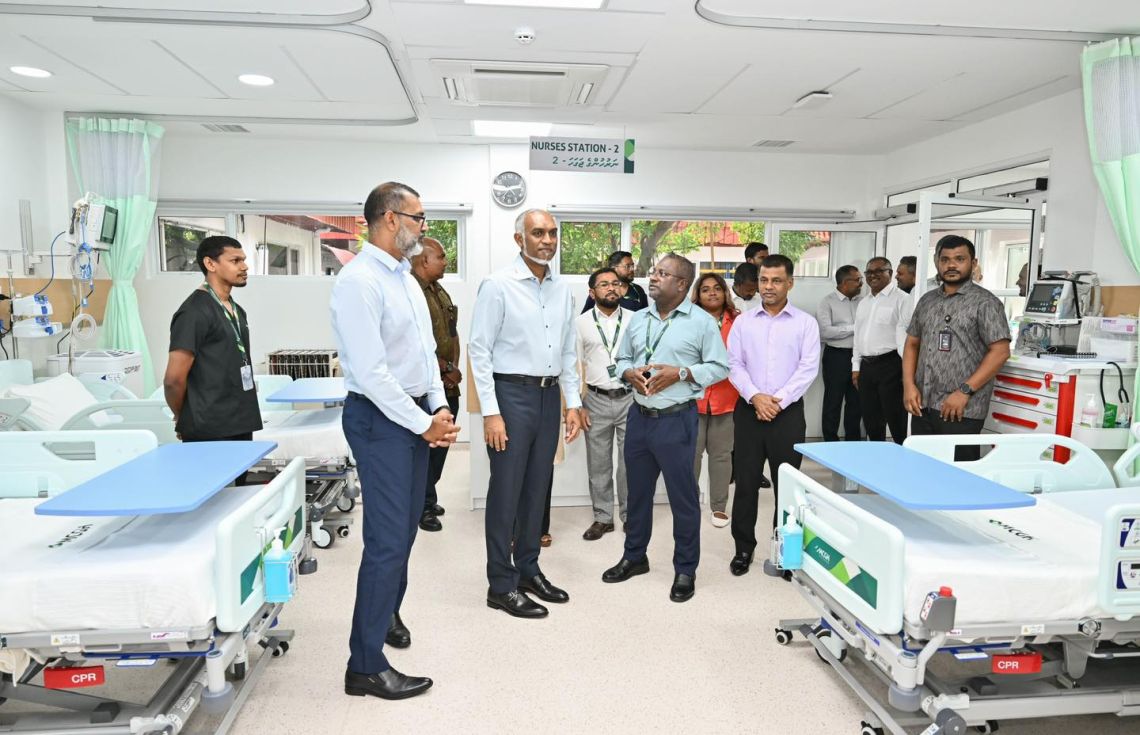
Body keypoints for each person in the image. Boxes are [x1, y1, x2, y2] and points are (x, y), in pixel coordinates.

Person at [330, 182, 458, 701]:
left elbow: (425, 354)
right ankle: (364, 666)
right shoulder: (359, 281)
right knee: (386, 541)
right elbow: (372, 373)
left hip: (411, 413)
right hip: (380, 419)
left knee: (403, 534)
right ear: (389, 218)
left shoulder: (403, 276)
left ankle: (382, 614)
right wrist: (421, 422)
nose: (423, 225)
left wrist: (439, 406)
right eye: (418, 216)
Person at [469, 208, 583, 619]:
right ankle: (501, 584)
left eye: (552, 233)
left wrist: (573, 402)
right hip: (510, 396)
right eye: (538, 233)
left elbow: (568, 350)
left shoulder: (562, 289)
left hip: (548, 397)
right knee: (506, 491)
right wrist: (491, 413)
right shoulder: (498, 285)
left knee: (538, 489)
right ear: (520, 239)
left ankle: (529, 570)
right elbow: (479, 350)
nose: (547, 240)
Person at [602, 253, 729, 603]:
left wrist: (681, 373)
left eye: (662, 273)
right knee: (637, 494)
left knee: (682, 499)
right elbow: (620, 360)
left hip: (677, 421)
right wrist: (628, 373)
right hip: (639, 418)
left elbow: (721, 367)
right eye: (654, 272)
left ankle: (685, 569)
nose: (653, 277)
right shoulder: (639, 318)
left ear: (682, 284)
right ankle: (634, 557)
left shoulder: (701, 322)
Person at [727, 254, 819, 577]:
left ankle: (785, 550)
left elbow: (808, 368)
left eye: (776, 280)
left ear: (789, 283)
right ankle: (743, 548)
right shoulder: (743, 322)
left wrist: (777, 402)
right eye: (764, 280)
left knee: (788, 486)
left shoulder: (805, 323)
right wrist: (755, 397)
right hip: (749, 411)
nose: (768, 286)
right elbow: (733, 364)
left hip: (787, 413)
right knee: (746, 483)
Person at [903, 235, 1011, 461]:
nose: (951, 265)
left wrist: (964, 391)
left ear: (973, 263)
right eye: (945, 259)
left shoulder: (986, 303)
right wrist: (909, 386)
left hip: (961, 408)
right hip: (924, 404)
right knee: (921, 469)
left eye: (959, 259)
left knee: (958, 473)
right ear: (937, 263)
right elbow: (912, 343)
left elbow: (1000, 352)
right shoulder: (927, 301)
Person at [164, 236, 263, 479]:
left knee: (238, 494)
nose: (244, 266)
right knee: (214, 495)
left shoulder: (236, 310)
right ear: (210, 264)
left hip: (240, 421)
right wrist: (184, 417)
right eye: (235, 261)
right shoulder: (194, 312)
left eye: (244, 260)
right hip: (209, 427)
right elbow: (173, 379)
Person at [576, 267, 635, 540]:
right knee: (598, 464)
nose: (611, 288)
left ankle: (629, 515)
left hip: (630, 399)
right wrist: (577, 404)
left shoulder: (636, 320)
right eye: (603, 284)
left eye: (615, 283)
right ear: (592, 292)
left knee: (629, 463)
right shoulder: (580, 323)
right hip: (595, 400)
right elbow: (574, 366)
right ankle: (603, 518)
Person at [411, 237, 460, 533]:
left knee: (441, 447)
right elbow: (417, 344)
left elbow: (452, 332)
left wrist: (453, 369)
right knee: (427, 449)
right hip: (427, 386)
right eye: (441, 257)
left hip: (447, 385)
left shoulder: (438, 290)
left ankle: (428, 496)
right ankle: (423, 505)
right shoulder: (411, 291)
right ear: (424, 260)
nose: (445, 261)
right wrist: (447, 369)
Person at [691, 272, 738, 527]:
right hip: (693, 398)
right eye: (705, 289)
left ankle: (719, 506)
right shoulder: (687, 320)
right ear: (697, 295)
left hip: (727, 398)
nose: (712, 293)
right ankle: (688, 504)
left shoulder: (738, 321)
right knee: (691, 455)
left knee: (721, 456)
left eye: (717, 288)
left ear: (725, 292)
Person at [852, 257, 912, 445]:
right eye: (869, 272)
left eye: (879, 271)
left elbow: (909, 336)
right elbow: (857, 336)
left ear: (890, 273)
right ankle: (876, 458)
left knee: (896, 419)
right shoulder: (864, 302)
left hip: (891, 365)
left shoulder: (903, 299)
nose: (873, 275)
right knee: (871, 419)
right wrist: (856, 366)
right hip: (867, 367)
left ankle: (902, 457)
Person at [816, 265, 863, 442]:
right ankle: (830, 443)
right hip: (836, 357)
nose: (861, 283)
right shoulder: (827, 302)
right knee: (833, 402)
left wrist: (843, 330)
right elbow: (825, 332)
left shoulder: (863, 302)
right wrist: (855, 328)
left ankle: (853, 443)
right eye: (857, 280)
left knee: (856, 402)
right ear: (844, 283)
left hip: (859, 357)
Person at [581, 250, 648, 312]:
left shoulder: (638, 290)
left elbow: (646, 317)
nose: (632, 269)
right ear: (614, 268)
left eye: (632, 266)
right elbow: (585, 316)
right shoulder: (599, 291)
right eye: (627, 266)